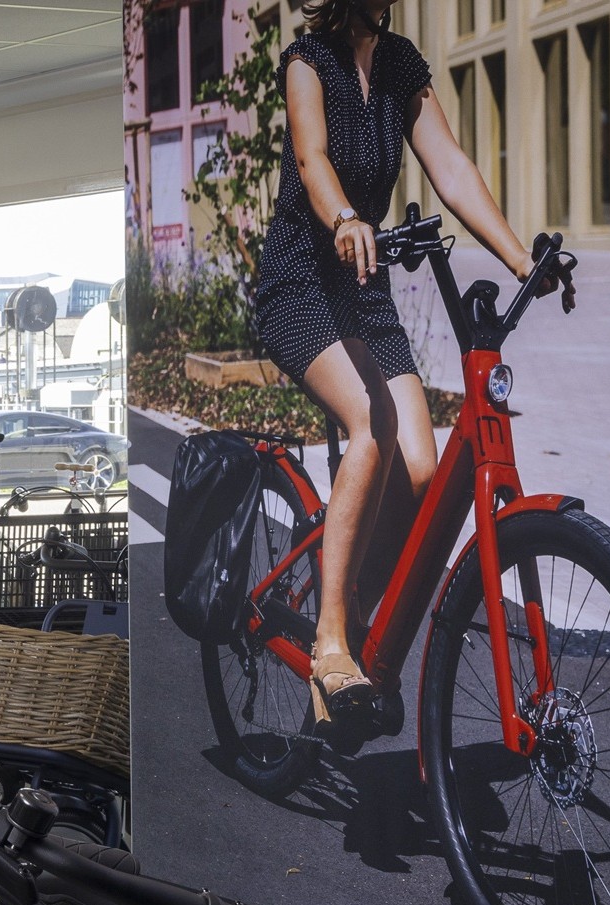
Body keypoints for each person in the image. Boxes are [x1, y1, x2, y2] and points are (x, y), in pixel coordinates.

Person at [253, 0, 570, 723]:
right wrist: (343, 219)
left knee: (424, 472)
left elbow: (451, 167)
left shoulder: (399, 68)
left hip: (364, 289)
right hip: (302, 280)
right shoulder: (309, 63)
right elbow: (313, 160)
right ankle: (331, 643)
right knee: (372, 424)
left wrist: (523, 259)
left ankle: (360, 597)